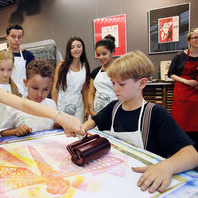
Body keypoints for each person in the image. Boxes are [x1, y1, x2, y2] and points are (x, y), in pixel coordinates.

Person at [82, 51, 198, 193]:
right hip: (114, 182)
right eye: (113, 83)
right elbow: (94, 120)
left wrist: (167, 166)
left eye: (121, 84)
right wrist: (83, 127)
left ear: (142, 83)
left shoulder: (155, 114)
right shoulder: (114, 107)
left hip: (141, 185)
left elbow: (192, 155)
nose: (115, 89)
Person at [0, 60, 57, 137]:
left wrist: (59, 125)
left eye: (45, 89)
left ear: (50, 85)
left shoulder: (51, 104)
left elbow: (52, 126)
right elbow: (3, 132)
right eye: (35, 88)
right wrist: (16, 131)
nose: (40, 94)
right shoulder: (15, 106)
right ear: (25, 82)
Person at [168, 28, 198, 143]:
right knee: (182, 121)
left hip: (196, 93)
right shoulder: (180, 56)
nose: (197, 40)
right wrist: (186, 81)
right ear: (189, 40)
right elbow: (171, 74)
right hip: (183, 92)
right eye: (195, 37)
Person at [52, 36, 90, 123]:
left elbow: (85, 88)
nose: (75, 49)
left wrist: (86, 107)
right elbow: (55, 87)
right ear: (69, 50)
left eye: (79, 46)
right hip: (62, 103)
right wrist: (54, 107)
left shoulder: (84, 66)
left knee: (77, 130)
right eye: (72, 47)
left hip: (78, 104)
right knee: (63, 130)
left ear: (83, 48)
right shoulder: (61, 65)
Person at [0, 24, 35, 96]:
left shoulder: (28, 56)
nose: (16, 40)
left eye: (19, 37)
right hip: (4, 93)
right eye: (13, 36)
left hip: (23, 94)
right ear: (7, 36)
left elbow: (32, 78)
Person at [0, 50, 21, 138]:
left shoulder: (16, 88)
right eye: (2, 69)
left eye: (9, 70)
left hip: (13, 131)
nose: (6, 74)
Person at [88, 35, 117, 117]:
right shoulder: (95, 72)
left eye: (104, 54)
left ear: (112, 51)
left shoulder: (120, 70)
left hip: (113, 112)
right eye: (98, 54)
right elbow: (91, 93)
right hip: (96, 113)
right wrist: (91, 110)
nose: (101, 57)